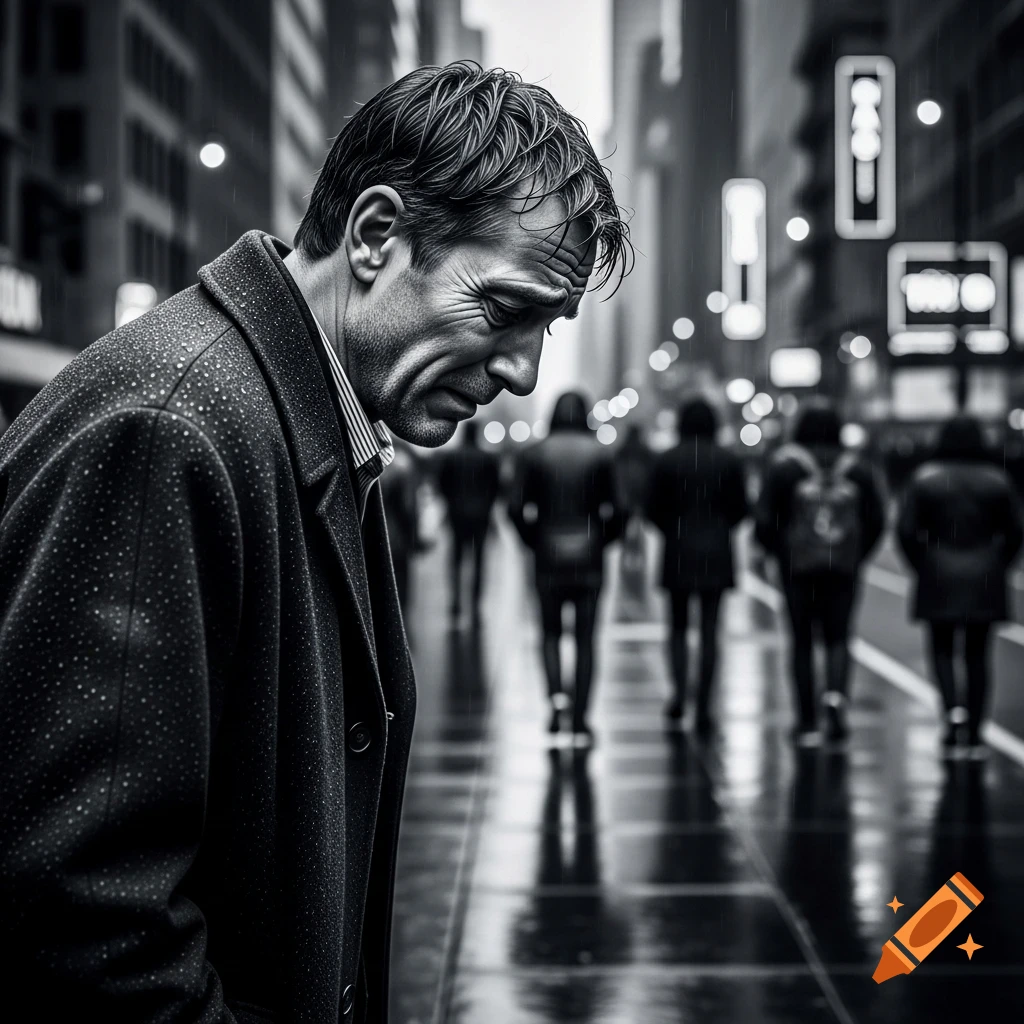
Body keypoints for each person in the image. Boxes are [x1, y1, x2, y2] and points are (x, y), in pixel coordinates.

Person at [0, 63, 630, 1020]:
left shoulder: (285, 418)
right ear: (376, 236)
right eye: (506, 311)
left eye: (549, 329)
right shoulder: (172, 430)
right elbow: (83, 914)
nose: (524, 374)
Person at [755, 402, 885, 745]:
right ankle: (836, 709)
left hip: (797, 569)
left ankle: (806, 720)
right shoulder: (857, 469)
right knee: (838, 638)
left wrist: (778, 552)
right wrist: (856, 554)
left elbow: (766, 520)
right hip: (843, 568)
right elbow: (876, 519)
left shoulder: (784, 467)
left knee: (801, 640)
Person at [897, 415, 1023, 758]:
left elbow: (907, 532)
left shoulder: (925, 480)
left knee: (941, 650)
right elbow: (1015, 533)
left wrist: (923, 563)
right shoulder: (998, 481)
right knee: (978, 654)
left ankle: (952, 716)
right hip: (984, 573)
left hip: (938, 570)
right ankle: (977, 730)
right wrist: (997, 563)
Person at [509, 392, 625, 744]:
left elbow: (515, 507)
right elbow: (619, 508)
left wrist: (535, 539)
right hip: (589, 558)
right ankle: (581, 716)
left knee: (550, 633)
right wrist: (602, 540)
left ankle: (557, 703)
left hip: (547, 555)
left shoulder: (534, 454)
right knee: (587, 638)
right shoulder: (601, 453)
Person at [646, 397, 748, 733]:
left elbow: (652, 508)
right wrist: (718, 528)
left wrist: (674, 529)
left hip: (678, 548)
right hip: (716, 551)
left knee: (676, 627)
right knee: (709, 630)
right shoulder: (728, 460)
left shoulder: (667, 460)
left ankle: (678, 694)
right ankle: (704, 703)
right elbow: (740, 508)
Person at [437, 419, 502, 617]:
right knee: (479, 558)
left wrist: (450, 503)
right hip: (481, 515)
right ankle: (475, 601)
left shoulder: (452, 457)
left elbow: (443, 484)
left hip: (457, 513)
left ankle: (455, 599)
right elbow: (496, 488)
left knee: (456, 557)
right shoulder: (487, 458)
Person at [380, 438, 425, 613]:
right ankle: (398, 616)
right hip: (396, 536)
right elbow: (408, 508)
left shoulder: (374, 464)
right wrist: (413, 535)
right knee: (400, 579)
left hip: (373, 535)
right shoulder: (403, 469)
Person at [614, 422, 654, 579]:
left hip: (625, 495)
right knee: (639, 527)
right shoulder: (646, 453)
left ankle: (625, 558)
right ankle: (640, 558)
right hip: (641, 494)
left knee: (625, 529)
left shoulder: (621, 452)